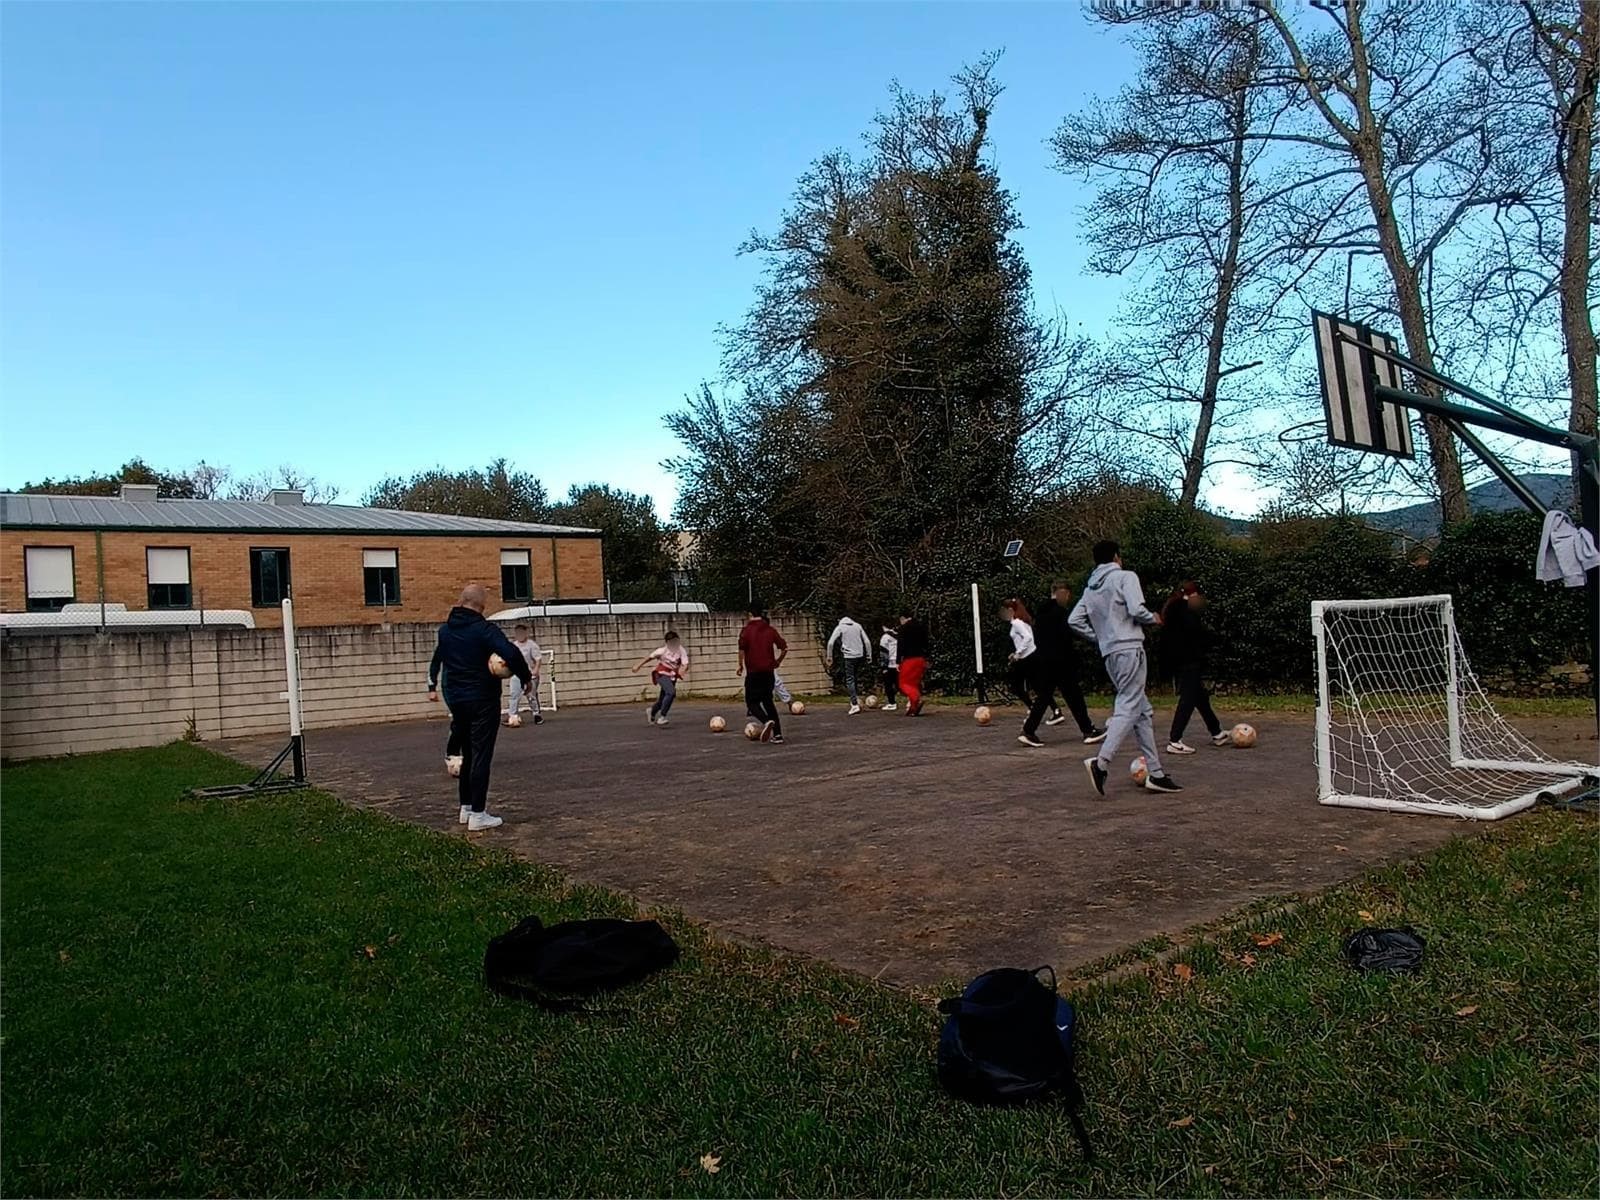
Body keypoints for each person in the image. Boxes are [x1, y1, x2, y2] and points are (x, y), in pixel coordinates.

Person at [1069, 541, 1181, 796]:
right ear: (1117, 557)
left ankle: (1156, 773)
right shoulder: (1125, 577)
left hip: (1110, 653)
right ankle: (1101, 763)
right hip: (1130, 647)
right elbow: (1135, 609)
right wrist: (1152, 617)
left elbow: (1073, 620)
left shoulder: (1090, 588)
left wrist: (1100, 636)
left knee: (1141, 711)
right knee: (1129, 706)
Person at [427, 583, 533, 830]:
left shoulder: (445, 632)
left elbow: (440, 662)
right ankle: (478, 813)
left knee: (467, 753)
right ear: (481, 606)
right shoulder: (484, 630)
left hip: (457, 698)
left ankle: (465, 807)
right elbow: (511, 653)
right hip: (482, 699)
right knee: (481, 754)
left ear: (461, 600)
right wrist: (525, 677)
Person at [1033, 580, 1105, 745]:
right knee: (1074, 696)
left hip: (1045, 660)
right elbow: (1066, 638)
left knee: (1044, 697)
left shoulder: (1041, 611)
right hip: (1060, 662)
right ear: (1063, 593)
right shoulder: (1060, 613)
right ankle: (1088, 730)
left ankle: (1029, 730)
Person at [1161, 581, 1229, 754]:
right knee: (1188, 699)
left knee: (1200, 697)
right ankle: (1175, 739)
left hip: (1181, 659)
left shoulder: (1174, 610)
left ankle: (1217, 732)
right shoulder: (1185, 612)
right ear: (1193, 596)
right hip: (1188, 660)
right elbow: (1196, 634)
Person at [1003, 598, 1054, 748]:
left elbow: (1028, 638)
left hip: (1028, 658)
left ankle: (1030, 726)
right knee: (1040, 691)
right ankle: (1031, 726)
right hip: (1028, 658)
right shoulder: (1020, 621)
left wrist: (1018, 654)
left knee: (1039, 691)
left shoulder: (1018, 623)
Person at [737, 604, 789, 743]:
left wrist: (740, 666)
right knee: (768, 701)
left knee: (751, 702)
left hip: (754, 672)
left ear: (749, 614)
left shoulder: (746, 631)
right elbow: (784, 647)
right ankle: (778, 735)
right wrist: (777, 661)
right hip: (768, 672)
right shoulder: (770, 630)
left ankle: (767, 721)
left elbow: (742, 649)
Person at [633, 630, 690, 726]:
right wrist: (638, 665)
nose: (675, 645)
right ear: (667, 643)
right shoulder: (662, 651)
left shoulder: (681, 650)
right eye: (672, 643)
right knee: (671, 692)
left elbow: (685, 664)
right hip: (661, 674)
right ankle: (662, 717)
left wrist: (682, 670)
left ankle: (652, 711)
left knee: (663, 699)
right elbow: (649, 657)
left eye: (676, 642)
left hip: (672, 675)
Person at [427, 638, 464, 775]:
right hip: (451, 687)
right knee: (459, 719)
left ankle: (466, 752)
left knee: (471, 721)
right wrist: (432, 688)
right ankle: (452, 753)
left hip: (470, 686)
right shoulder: (446, 643)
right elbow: (434, 665)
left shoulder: (474, 640)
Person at [825, 614, 874, 714]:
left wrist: (829, 656)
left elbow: (830, 642)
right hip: (859, 655)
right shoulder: (857, 626)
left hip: (849, 656)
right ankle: (856, 698)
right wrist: (869, 655)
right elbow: (867, 641)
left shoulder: (840, 627)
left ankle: (854, 704)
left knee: (850, 679)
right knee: (855, 678)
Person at [507, 623, 544, 726]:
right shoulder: (513, 646)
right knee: (514, 695)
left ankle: (536, 714)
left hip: (530, 674)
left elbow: (538, 659)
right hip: (517, 674)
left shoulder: (531, 645)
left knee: (531, 695)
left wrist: (536, 669)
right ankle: (512, 715)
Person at [895, 611, 930, 716]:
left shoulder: (903, 629)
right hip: (921, 659)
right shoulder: (921, 627)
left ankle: (915, 699)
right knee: (914, 682)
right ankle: (913, 706)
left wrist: (897, 661)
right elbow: (926, 643)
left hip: (909, 659)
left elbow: (900, 646)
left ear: (903, 618)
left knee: (903, 683)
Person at [879, 624, 900, 711]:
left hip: (890, 663)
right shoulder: (899, 636)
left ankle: (892, 703)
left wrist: (884, 667)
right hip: (899, 663)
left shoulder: (885, 637)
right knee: (899, 683)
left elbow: (884, 653)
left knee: (888, 684)